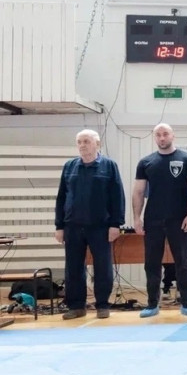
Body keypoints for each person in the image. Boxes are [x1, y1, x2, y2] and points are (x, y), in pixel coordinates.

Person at [55, 129, 125, 320]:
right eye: (79, 142)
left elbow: (117, 196)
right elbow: (61, 198)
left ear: (97, 144)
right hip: (72, 226)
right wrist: (59, 226)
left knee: (102, 267)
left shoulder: (109, 166)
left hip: (100, 226)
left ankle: (102, 304)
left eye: (86, 141)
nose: (82, 145)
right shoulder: (69, 166)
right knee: (73, 268)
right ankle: (76, 306)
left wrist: (116, 224)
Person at [132, 123, 187, 318]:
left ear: (173, 136)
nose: (162, 138)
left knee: (182, 262)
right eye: (158, 135)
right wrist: (136, 218)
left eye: (165, 134)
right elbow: (138, 191)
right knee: (151, 263)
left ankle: (186, 302)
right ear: (155, 137)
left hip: (179, 219)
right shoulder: (146, 162)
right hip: (153, 219)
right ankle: (152, 304)